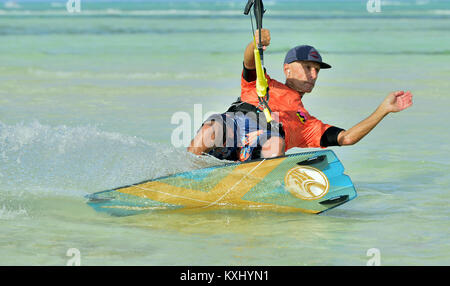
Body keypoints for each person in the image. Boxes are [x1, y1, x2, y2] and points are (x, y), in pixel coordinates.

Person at [187, 29, 413, 161]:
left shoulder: (307, 123)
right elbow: (248, 61)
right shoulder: (263, 84)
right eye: (307, 67)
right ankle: (184, 172)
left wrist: (383, 110)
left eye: (316, 70)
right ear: (287, 69)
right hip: (234, 130)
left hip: (257, 155)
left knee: (275, 143)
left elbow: (347, 138)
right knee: (213, 128)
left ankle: (257, 188)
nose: (313, 74)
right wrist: (254, 44)